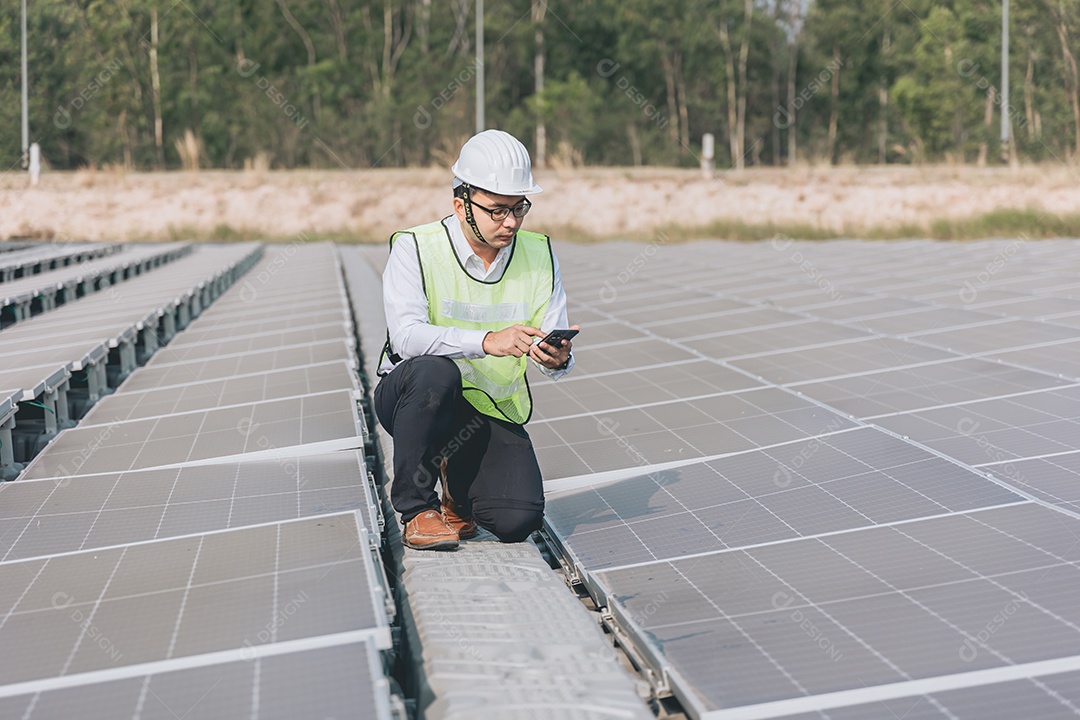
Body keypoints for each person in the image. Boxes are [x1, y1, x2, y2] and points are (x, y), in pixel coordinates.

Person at [374, 129, 578, 550]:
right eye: (497, 210)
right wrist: (487, 341)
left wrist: (554, 359)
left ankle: (457, 490)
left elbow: (548, 336)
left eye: (520, 208)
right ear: (460, 204)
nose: (511, 222)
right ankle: (416, 510)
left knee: (515, 520)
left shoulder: (538, 254)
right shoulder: (416, 248)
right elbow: (407, 338)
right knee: (435, 373)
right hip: (418, 398)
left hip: (484, 407)